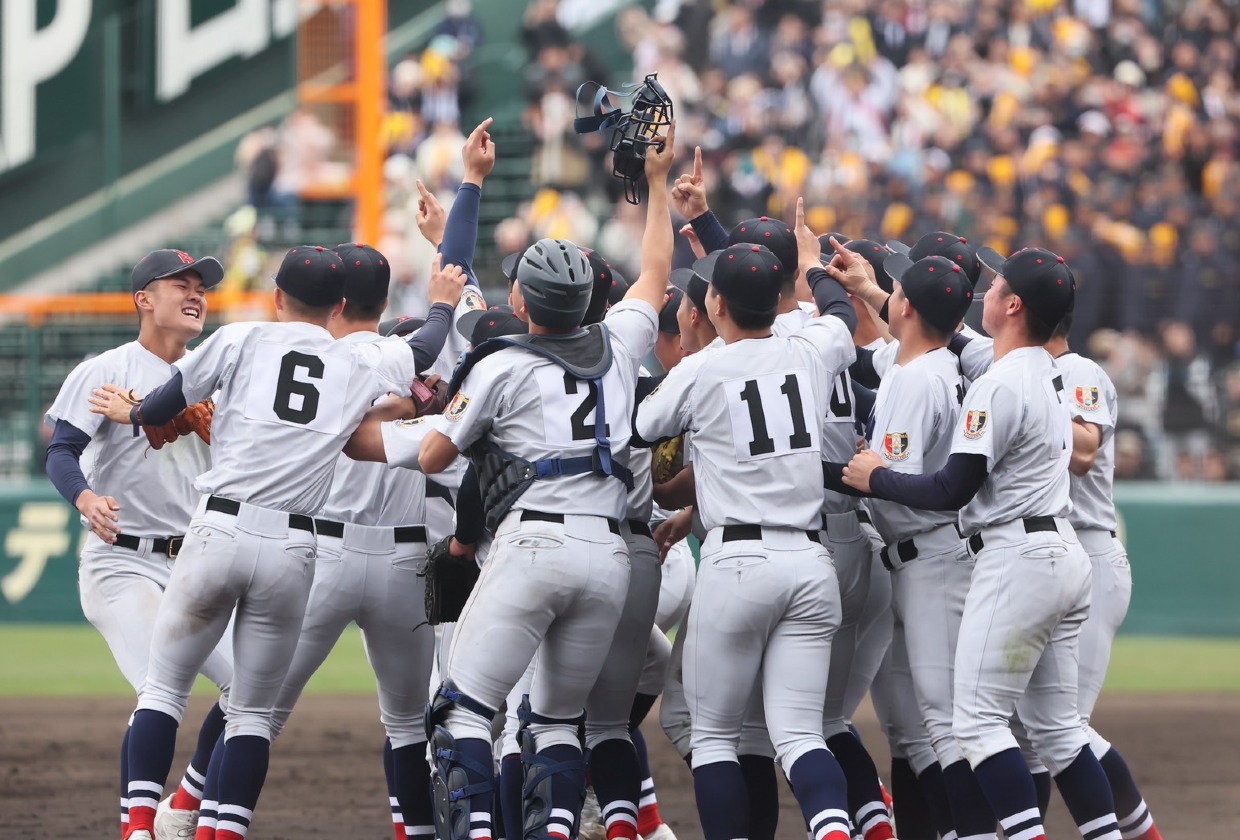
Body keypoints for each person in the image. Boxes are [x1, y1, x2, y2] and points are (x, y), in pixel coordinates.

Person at [87, 245, 465, 840]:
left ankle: (140, 827)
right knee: (254, 717)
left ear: (278, 296)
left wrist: (135, 415)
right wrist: (442, 305)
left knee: (162, 690)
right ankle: (224, 831)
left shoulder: (241, 338)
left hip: (221, 527)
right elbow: (423, 349)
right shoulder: (360, 361)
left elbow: (164, 404)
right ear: (337, 304)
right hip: (296, 545)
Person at [414, 123, 676, 840]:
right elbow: (656, 270)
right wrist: (656, 184)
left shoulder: (501, 364)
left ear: (523, 305)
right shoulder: (622, 346)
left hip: (533, 547)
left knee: (464, 713)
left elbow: (433, 456)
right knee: (557, 724)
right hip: (611, 556)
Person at [843, 247, 1125, 840]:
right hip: (1060, 554)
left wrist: (876, 477)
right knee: (1058, 731)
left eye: (994, 288)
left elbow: (952, 488)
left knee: (974, 724)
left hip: (1018, 558)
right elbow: (937, 337)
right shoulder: (1046, 370)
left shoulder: (999, 382)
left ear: (1013, 305)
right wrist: (873, 293)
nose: (984, 295)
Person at [634, 186, 862, 840]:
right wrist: (815, 267)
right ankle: (834, 830)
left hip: (738, 560)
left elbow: (646, 426)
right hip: (810, 561)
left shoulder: (704, 368)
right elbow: (840, 313)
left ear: (716, 305)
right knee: (799, 734)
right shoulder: (811, 349)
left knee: (713, 737)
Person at [43, 249, 235, 840]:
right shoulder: (107, 369)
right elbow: (62, 451)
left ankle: (185, 802)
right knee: (162, 687)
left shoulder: (216, 371)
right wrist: (85, 499)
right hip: (123, 561)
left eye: (201, 286)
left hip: (195, 560)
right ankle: (139, 828)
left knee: (253, 689)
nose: (196, 294)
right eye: (181, 284)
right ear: (143, 299)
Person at [265, 243, 437, 840]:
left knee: (257, 707)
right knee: (409, 725)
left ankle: (188, 808)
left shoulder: (319, 358)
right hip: (406, 559)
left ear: (335, 300)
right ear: (385, 302)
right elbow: (445, 324)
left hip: (326, 553)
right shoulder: (409, 358)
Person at [847, 252, 998, 838]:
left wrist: (859, 473)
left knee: (945, 723)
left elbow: (896, 481)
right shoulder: (928, 362)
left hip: (933, 556)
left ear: (905, 305)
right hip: (915, 560)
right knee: (915, 729)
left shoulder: (918, 375)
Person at [1045, 315, 1165, 840]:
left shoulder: (1080, 372)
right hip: (1047, 560)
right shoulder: (1016, 368)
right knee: (1033, 728)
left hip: (1089, 551)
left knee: (1064, 726)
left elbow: (1084, 452)